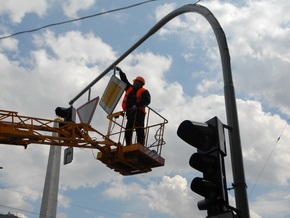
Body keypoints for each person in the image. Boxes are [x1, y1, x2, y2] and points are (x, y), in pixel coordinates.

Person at [116, 67, 151, 146]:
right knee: (128, 130)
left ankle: (140, 145)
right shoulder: (130, 88)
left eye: (137, 82)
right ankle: (128, 145)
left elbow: (147, 101)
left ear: (141, 84)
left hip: (139, 113)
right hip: (130, 112)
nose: (135, 83)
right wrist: (121, 72)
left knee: (139, 129)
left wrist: (137, 106)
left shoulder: (144, 91)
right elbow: (124, 80)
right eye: (135, 82)